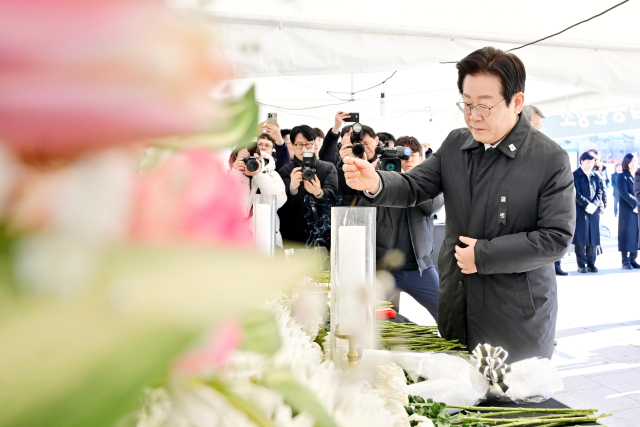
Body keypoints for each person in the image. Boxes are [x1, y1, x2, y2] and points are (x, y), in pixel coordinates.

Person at [342, 46, 575, 362]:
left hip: (514, 314)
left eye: (484, 106)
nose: (473, 116)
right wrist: (376, 182)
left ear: (516, 102)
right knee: (461, 394)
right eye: (466, 104)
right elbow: (415, 186)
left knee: (506, 399)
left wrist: (483, 256)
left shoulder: (548, 159)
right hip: (457, 301)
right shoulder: (456, 144)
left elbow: (556, 238)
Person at [373, 136, 444, 320]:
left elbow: (433, 206)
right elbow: (366, 207)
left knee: (447, 314)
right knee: (372, 316)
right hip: (385, 270)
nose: (409, 159)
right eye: (403, 155)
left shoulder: (432, 183)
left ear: (422, 158)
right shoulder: (384, 184)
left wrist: (417, 180)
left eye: (414, 154)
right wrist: (380, 177)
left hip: (420, 268)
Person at [277, 125, 338, 248]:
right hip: (292, 236)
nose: (304, 149)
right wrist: (292, 188)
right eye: (299, 145)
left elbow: (334, 197)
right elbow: (281, 205)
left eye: (308, 144)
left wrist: (319, 193)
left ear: (314, 144)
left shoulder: (327, 167)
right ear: (292, 146)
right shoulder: (285, 171)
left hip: (321, 236)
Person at [523, 105, 567, 276]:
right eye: (536, 126)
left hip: (536, 249)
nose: (539, 132)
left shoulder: (549, 157)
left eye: (540, 128)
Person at [228, 145, 287, 247]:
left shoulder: (272, 175)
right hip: (238, 241)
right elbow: (226, 207)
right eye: (244, 159)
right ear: (235, 159)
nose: (249, 162)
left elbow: (278, 202)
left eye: (253, 159)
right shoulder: (230, 177)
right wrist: (235, 175)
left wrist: (259, 175)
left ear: (260, 158)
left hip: (267, 240)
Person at [572, 151, 604, 273]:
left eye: (592, 162)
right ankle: (581, 264)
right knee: (580, 238)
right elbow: (576, 193)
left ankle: (591, 263)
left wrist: (595, 205)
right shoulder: (575, 175)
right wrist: (587, 204)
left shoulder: (596, 176)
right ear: (581, 161)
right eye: (588, 162)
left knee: (593, 237)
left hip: (593, 211)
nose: (590, 164)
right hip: (580, 210)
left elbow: (600, 192)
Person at [336, 124, 380, 206]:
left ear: (376, 140)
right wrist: (344, 162)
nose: (364, 148)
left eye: (366, 143)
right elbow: (343, 192)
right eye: (360, 145)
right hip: (357, 212)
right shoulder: (351, 163)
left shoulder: (385, 160)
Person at [617, 153, 639, 269]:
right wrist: (636, 203)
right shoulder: (622, 176)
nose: (634, 163)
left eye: (636, 161)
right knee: (626, 234)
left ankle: (633, 258)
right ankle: (625, 260)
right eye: (631, 161)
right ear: (626, 162)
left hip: (638, 210)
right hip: (627, 210)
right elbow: (624, 193)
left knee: (636, 234)